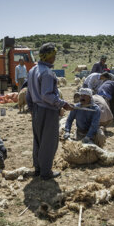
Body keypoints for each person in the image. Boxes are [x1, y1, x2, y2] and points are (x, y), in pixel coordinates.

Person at [26, 42, 73, 180]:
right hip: (47, 111)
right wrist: (62, 104)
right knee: (49, 142)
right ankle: (46, 172)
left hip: (36, 110)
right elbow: (47, 95)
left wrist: (31, 109)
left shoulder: (32, 70)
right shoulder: (47, 73)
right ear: (48, 57)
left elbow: (28, 93)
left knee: (38, 140)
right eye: (54, 55)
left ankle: (38, 168)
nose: (55, 58)